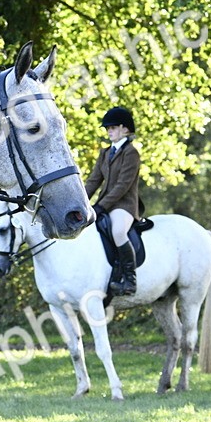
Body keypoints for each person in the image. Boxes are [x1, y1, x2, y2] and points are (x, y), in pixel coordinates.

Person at [84, 106, 141, 296]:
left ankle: (130, 280)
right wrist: (81, 202)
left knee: (118, 231)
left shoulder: (131, 153)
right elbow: (93, 181)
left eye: (113, 127)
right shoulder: (105, 153)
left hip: (124, 205)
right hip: (106, 204)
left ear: (125, 129)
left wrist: (100, 206)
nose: (109, 131)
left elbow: (123, 185)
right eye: (107, 128)